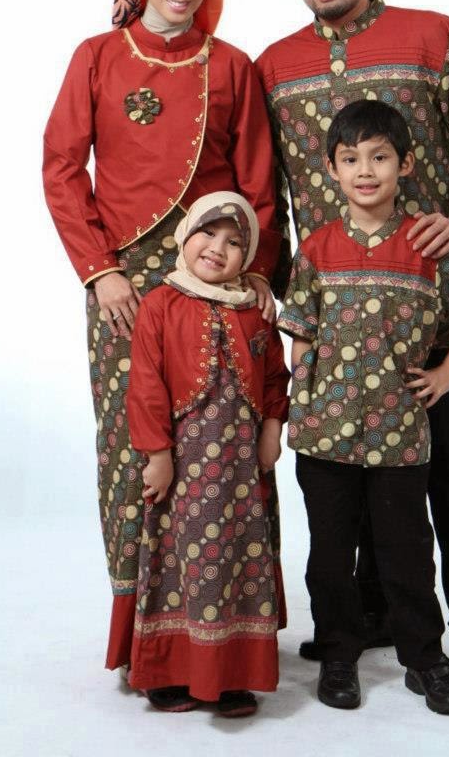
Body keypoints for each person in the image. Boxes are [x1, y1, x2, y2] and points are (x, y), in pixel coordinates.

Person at [256, 0, 449, 713]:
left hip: (420, 305)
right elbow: (270, 189)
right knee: (347, 488)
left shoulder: (431, 36)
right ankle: (370, 620)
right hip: (332, 314)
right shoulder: (275, 66)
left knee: (447, 476)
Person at [43, 0, 281, 673]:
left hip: (217, 286)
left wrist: (257, 276)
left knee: (223, 452)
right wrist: (100, 270)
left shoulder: (232, 66)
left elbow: (259, 186)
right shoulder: (96, 57)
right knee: (133, 451)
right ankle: (143, 642)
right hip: (122, 293)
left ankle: (224, 644)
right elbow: (61, 169)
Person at [277, 100, 449, 713]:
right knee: (329, 553)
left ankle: (424, 658)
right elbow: (301, 326)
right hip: (325, 432)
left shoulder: (427, 242)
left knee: (407, 552)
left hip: (400, 433)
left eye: (379, 158)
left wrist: (448, 372)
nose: (365, 171)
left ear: (405, 164)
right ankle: (338, 654)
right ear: (331, 169)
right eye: (351, 159)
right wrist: (303, 383)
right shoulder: (317, 248)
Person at [126, 192, 289, 716]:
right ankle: (171, 670)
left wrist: (272, 430)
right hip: (183, 470)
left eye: (235, 242)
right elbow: (145, 385)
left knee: (241, 558)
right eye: (208, 232)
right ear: (184, 235)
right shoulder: (160, 303)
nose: (218, 248)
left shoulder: (254, 312)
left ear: (248, 257)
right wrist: (157, 454)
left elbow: (274, 377)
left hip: (242, 472)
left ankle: (234, 672)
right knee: (180, 560)